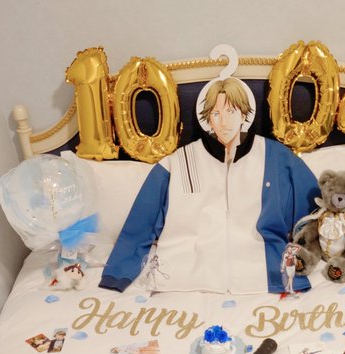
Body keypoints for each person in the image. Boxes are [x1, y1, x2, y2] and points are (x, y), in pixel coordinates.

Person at [99, 76, 318, 295]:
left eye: (231, 112)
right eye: (216, 114)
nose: (224, 122)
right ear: (208, 119)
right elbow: (141, 222)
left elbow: (315, 212)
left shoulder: (277, 158)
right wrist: (118, 273)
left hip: (267, 273)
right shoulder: (177, 163)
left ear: (244, 114)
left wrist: (324, 253)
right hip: (183, 277)